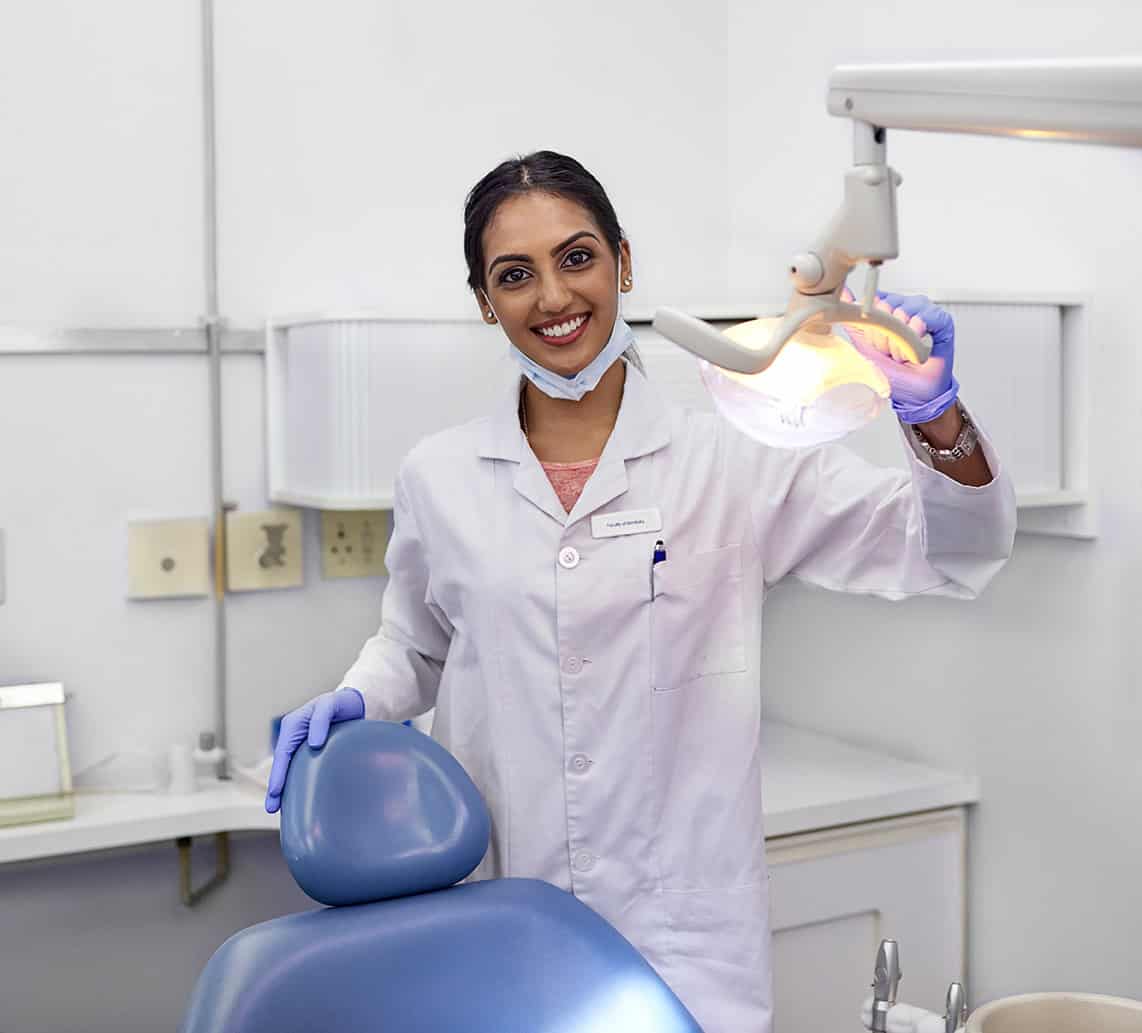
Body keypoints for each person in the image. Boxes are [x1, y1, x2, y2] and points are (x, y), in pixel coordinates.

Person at [264, 150, 1016, 1032]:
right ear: (484, 300)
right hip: (502, 922)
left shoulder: (732, 458)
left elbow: (946, 549)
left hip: (684, 940)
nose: (553, 297)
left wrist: (935, 416)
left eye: (576, 258)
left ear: (623, 262)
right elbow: (417, 642)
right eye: (515, 275)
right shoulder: (441, 474)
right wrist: (359, 692)